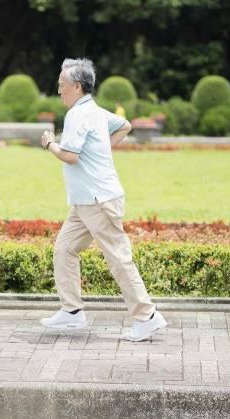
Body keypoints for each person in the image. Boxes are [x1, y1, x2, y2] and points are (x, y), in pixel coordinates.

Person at [39, 58, 167, 342]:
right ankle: (72, 312)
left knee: (118, 258)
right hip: (85, 202)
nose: (59, 90)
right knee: (64, 249)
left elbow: (70, 156)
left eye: (61, 85)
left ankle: (147, 317)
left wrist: (49, 143)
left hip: (98, 200)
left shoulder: (78, 114)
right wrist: (101, 149)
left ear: (76, 86)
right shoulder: (94, 111)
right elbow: (125, 125)